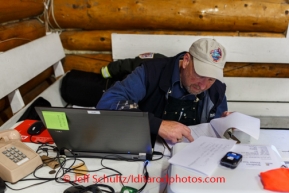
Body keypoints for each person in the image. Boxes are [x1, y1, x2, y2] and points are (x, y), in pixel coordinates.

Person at [96, 38, 229, 144]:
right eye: (200, 75)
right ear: (186, 61)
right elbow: (109, 102)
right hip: (146, 148)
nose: (203, 86)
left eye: (211, 79)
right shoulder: (151, 72)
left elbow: (216, 132)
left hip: (192, 158)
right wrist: (156, 124)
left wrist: (226, 124)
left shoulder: (216, 89)